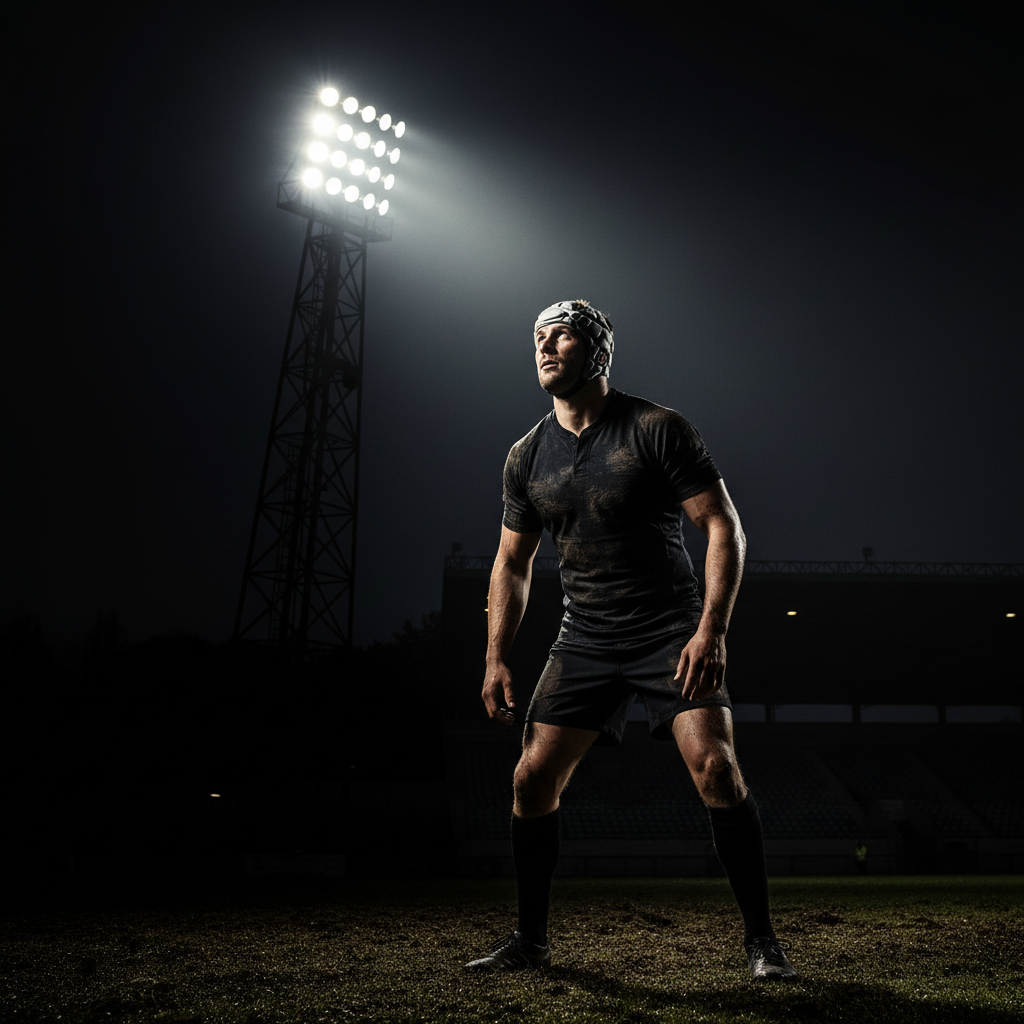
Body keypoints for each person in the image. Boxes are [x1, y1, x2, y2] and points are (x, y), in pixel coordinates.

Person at [464, 300, 797, 982]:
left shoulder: (657, 428)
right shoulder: (525, 456)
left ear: (598, 352)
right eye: (538, 338)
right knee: (530, 778)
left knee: (717, 770)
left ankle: (763, 942)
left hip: (668, 629)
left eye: (562, 337)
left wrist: (711, 628)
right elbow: (512, 562)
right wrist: (496, 656)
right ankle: (531, 939)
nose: (546, 348)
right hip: (584, 635)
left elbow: (721, 526)